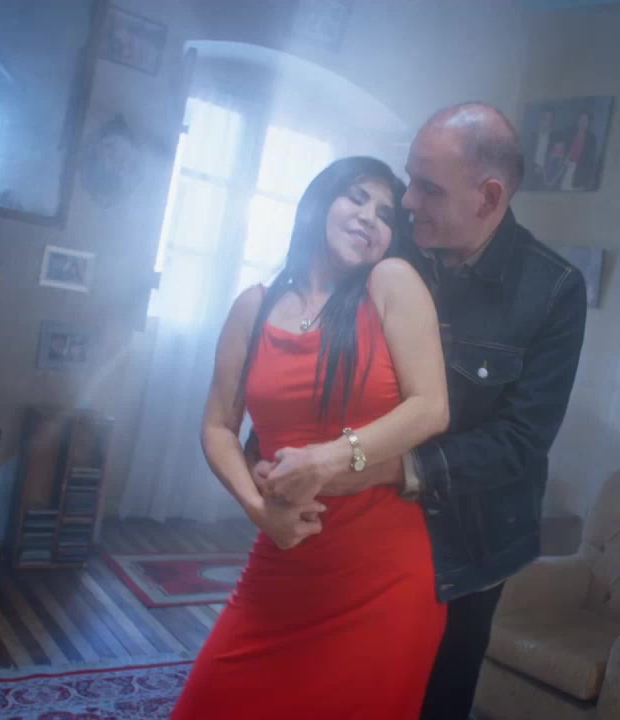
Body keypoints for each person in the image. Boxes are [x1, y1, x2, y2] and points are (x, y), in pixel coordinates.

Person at [258, 103, 589, 719]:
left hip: (465, 550)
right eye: (410, 179)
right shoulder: (391, 242)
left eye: (428, 188)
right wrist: (273, 457)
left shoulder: (553, 289)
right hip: (351, 529)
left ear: (489, 197)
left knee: (429, 703)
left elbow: (521, 442)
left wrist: (380, 467)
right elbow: (309, 331)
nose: (406, 201)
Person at [169, 156, 450, 719]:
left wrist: (327, 459)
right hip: (284, 559)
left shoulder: (391, 283)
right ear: (319, 203)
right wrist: (258, 510)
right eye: (356, 198)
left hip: (384, 578)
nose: (370, 218)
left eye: (386, 214)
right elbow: (218, 426)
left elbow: (431, 408)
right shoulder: (254, 306)